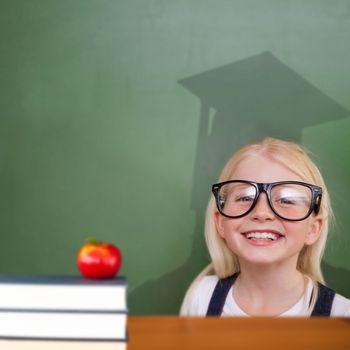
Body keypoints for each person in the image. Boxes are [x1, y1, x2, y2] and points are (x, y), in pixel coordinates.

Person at [180, 137, 350, 317]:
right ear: (220, 221)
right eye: (245, 198)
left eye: (286, 200)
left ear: (313, 228)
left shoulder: (342, 315)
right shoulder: (201, 298)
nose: (262, 212)